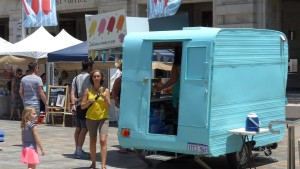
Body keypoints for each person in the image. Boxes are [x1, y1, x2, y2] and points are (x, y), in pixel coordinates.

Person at [81, 70, 110, 169]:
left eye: (98, 76)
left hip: (103, 118)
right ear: (92, 78)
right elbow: (82, 107)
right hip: (91, 118)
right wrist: (89, 101)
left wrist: (105, 99)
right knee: (93, 140)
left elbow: (108, 107)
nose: (96, 78)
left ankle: (103, 165)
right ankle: (93, 163)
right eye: (94, 76)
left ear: (101, 78)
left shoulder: (106, 90)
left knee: (103, 140)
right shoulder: (88, 90)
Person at [155, 46, 182, 134]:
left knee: (178, 119)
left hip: (178, 93)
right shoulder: (192, 61)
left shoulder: (177, 63)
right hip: (190, 94)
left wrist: (160, 88)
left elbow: (173, 80)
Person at [70, 58, 93, 159]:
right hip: (85, 105)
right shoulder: (89, 78)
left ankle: (77, 149)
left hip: (78, 105)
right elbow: (88, 92)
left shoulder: (76, 78)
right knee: (85, 128)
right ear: (89, 67)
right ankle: (79, 150)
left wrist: (73, 104)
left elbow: (72, 92)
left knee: (78, 128)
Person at [111, 57, 128, 154]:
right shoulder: (119, 80)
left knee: (127, 126)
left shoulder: (127, 79)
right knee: (122, 126)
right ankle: (122, 146)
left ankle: (126, 145)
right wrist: (119, 105)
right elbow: (114, 94)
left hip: (127, 107)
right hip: (121, 107)